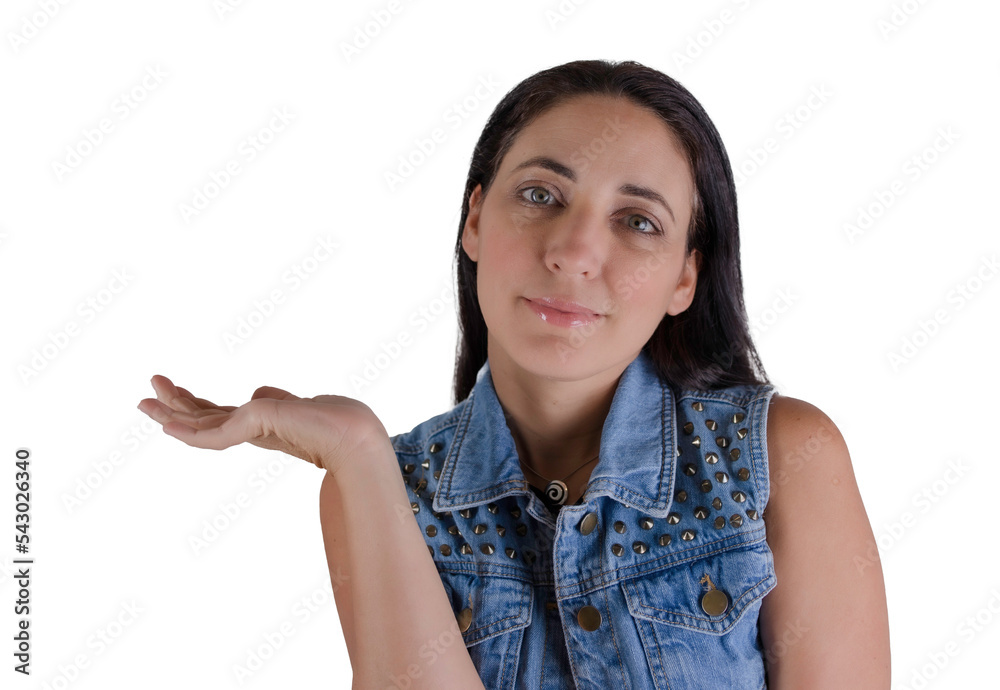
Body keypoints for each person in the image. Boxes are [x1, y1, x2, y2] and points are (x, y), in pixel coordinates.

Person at [137, 59, 891, 688]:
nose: (571, 250)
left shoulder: (780, 459)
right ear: (474, 220)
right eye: (540, 195)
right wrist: (359, 452)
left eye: (637, 221)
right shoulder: (375, 489)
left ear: (684, 281)